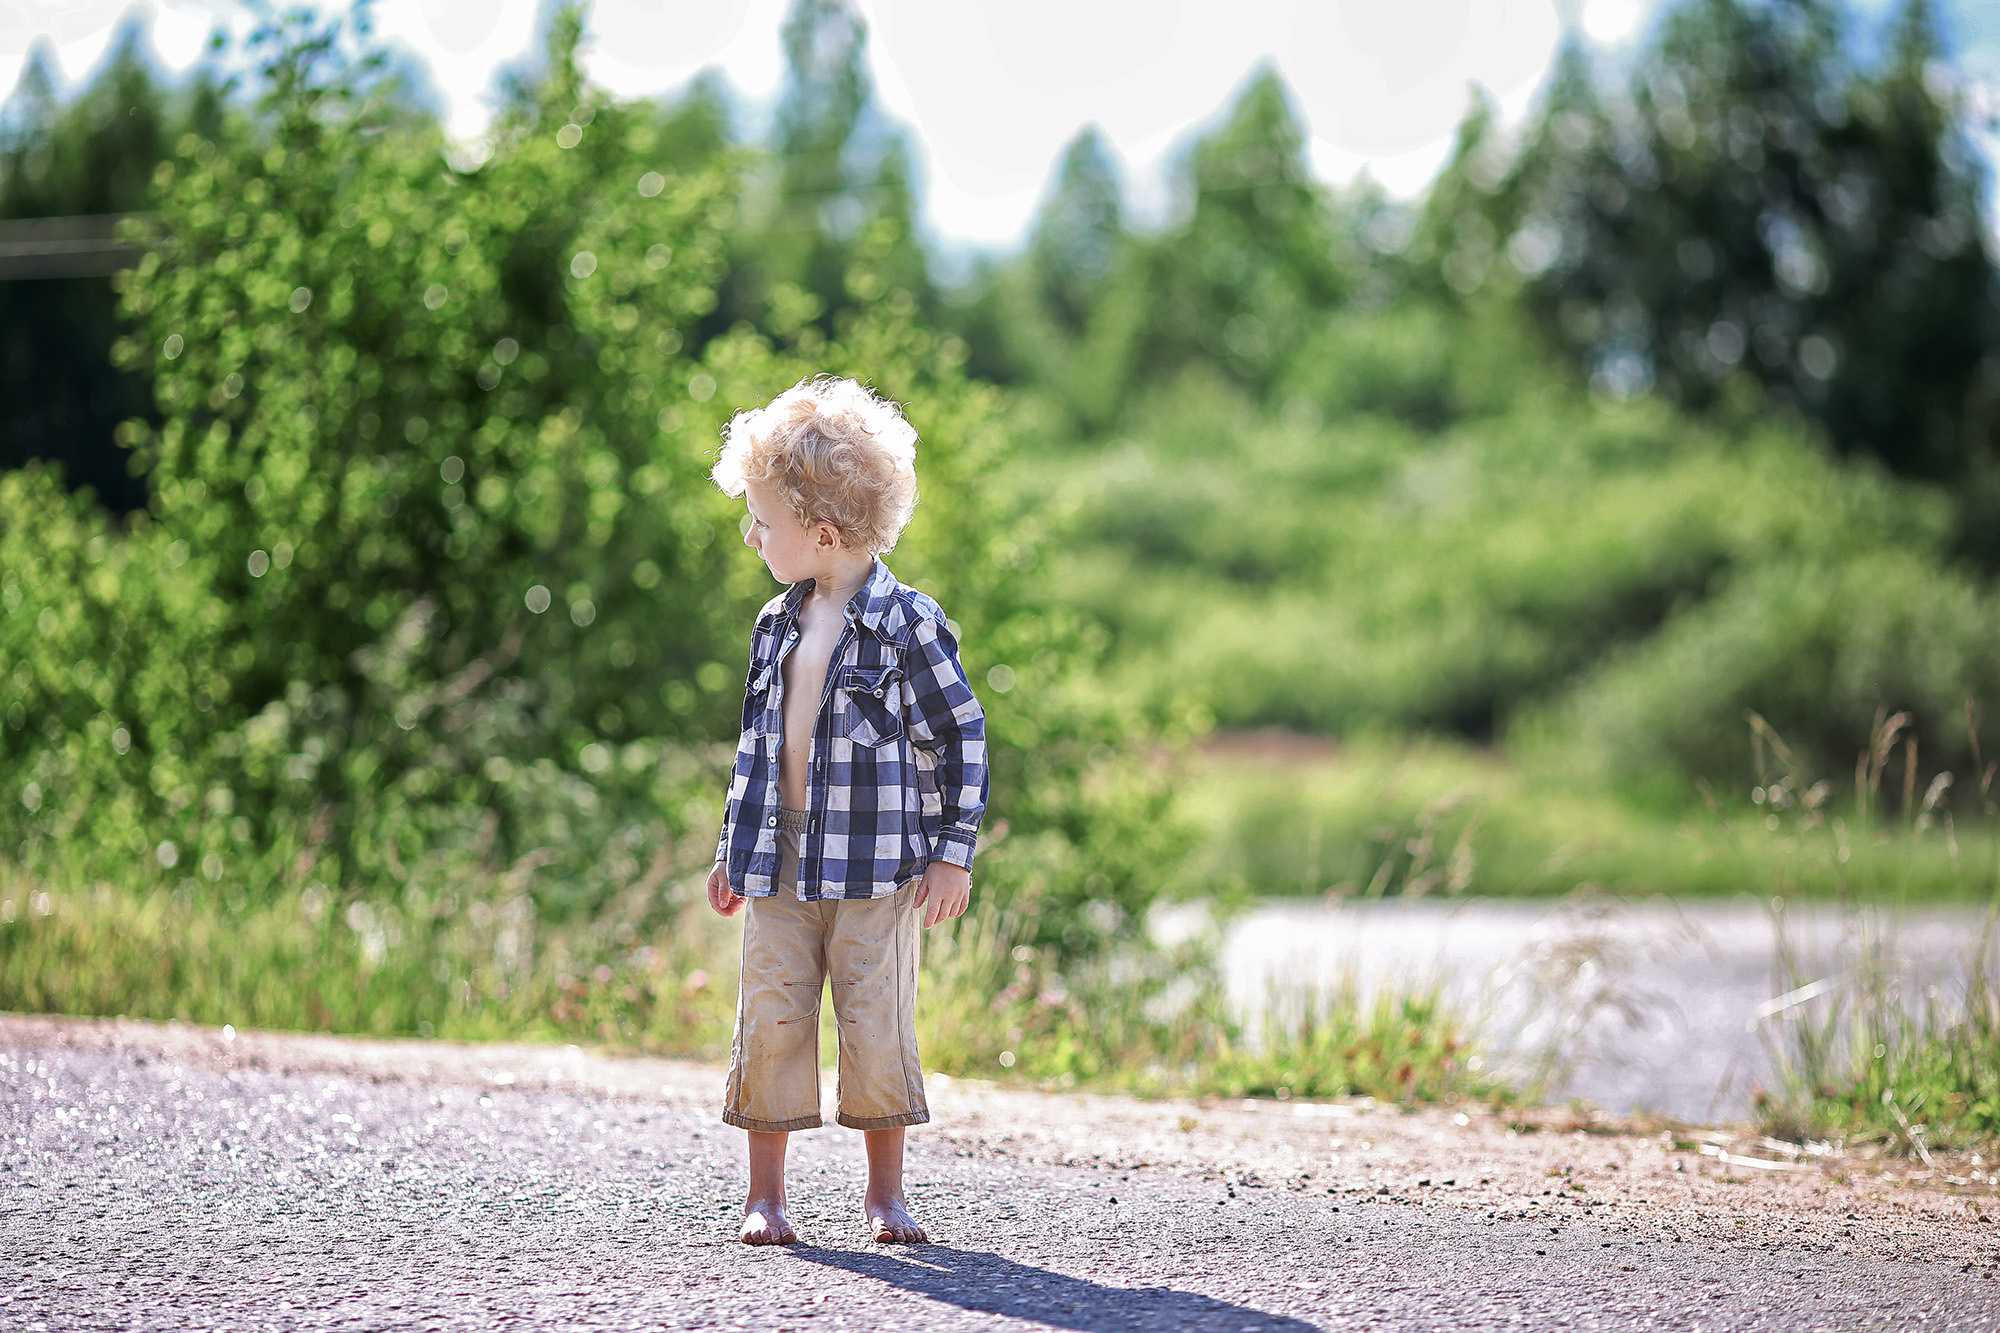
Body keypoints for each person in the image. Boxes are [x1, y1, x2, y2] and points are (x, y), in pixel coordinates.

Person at [704, 375, 988, 1246]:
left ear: (823, 534)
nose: (752, 536)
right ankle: (767, 1196)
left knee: (875, 1030)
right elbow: (756, 746)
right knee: (773, 1020)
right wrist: (730, 849)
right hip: (781, 867)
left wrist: (952, 851)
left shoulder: (908, 624)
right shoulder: (773, 624)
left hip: (877, 876)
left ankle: (884, 1195)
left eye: (763, 523)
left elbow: (961, 733)